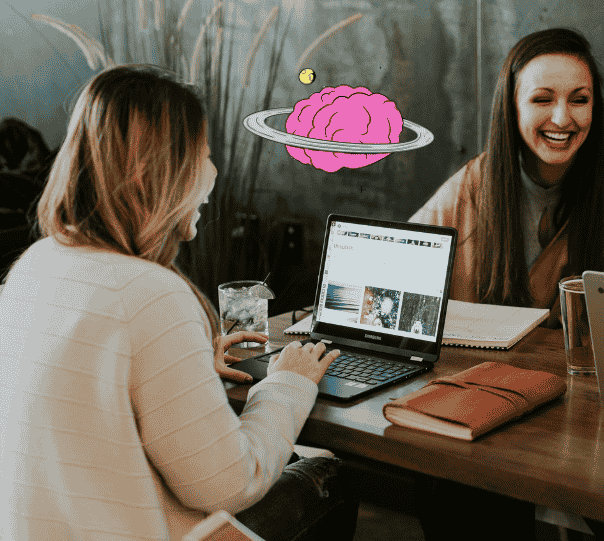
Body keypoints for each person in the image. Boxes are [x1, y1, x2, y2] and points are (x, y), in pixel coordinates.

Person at [0, 65, 358, 541]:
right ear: (158, 171)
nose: (212, 172)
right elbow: (229, 486)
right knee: (331, 475)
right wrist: (287, 384)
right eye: (203, 155)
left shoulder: (35, 265)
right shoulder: (151, 293)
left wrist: (186, 367)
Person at [410, 27, 604, 330]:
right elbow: (396, 267)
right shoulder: (472, 185)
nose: (561, 118)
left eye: (579, 100)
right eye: (542, 100)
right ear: (512, 107)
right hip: (467, 375)